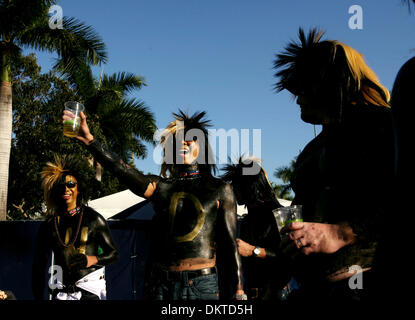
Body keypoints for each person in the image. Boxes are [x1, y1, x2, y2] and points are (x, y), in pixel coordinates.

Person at [63, 109, 246, 300]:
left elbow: (230, 244)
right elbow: (122, 170)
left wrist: (239, 289)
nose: (183, 142)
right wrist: (90, 141)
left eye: (190, 138)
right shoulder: (161, 187)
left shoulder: (220, 189)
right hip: (160, 284)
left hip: (201, 284)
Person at [272, 28, 395, 302]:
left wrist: (342, 232)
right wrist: (291, 239)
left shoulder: (384, 125)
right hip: (313, 292)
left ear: (329, 83)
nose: (298, 99)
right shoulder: (312, 150)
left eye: (303, 88)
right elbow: (299, 212)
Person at [32, 155, 119, 300]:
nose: (66, 189)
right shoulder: (49, 225)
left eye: (71, 184)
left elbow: (114, 254)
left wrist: (91, 260)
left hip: (90, 290)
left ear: (79, 188)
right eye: (61, 186)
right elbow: (39, 266)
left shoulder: (93, 219)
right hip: (61, 291)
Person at [221, 157, 292, 300]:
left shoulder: (280, 214)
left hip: (276, 292)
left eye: (237, 185)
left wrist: (254, 250)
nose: (234, 190)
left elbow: (290, 256)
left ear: (249, 185)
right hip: (251, 292)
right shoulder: (247, 219)